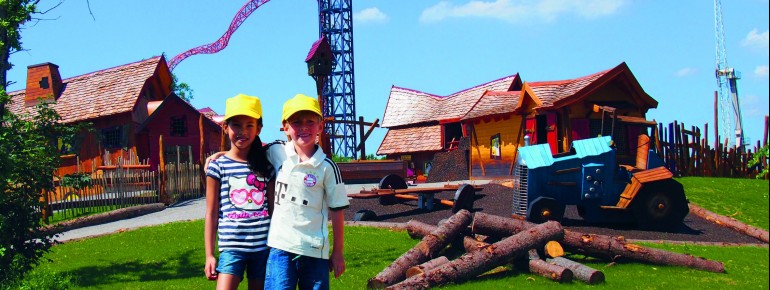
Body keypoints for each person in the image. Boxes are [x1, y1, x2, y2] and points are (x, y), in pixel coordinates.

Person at [265, 94, 349, 290]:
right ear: (285, 127)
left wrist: (338, 252)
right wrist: (220, 155)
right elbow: (245, 153)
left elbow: (337, 211)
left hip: (314, 250)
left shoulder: (328, 167)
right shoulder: (276, 152)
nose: (303, 127)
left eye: (310, 121)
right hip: (280, 246)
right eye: (296, 122)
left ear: (320, 126)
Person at [204, 94, 274, 290]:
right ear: (225, 127)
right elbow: (211, 213)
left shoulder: (266, 166)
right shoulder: (218, 166)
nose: (242, 131)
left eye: (249, 125)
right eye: (236, 125)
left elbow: (273, 211)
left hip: (262, 248)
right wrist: (209, 255)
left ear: (259, 128)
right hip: (231, 249)